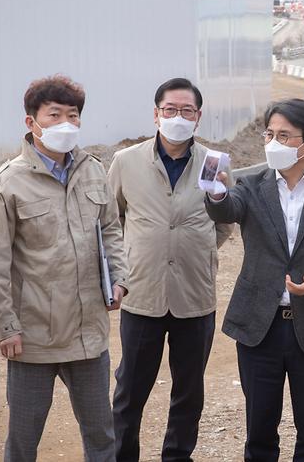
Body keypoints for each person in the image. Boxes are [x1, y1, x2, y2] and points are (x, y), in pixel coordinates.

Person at [205, 98, 304, 461]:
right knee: (259, 433)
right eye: (270, 134)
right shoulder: (250, 187)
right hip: (260, 329)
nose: (274, 143)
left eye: (285, 136)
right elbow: (228, 208)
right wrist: (216, 191)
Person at [0, 75, 128, 462]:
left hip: (88, 334)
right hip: (33, 338)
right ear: (31, 122)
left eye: (73, 115)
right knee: (23, 439)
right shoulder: (6, 183)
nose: (66, 123)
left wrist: (118, 277)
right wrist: (6, 326)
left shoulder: (94, 170)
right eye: (54, 115)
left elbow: (111, 230)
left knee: (101, 435)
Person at [109, 78, 233, 461]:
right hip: (141, 294)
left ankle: (177, 455)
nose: (178, 117)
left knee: (189, 390)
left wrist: (196, 251)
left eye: (187, 111)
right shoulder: (125, 162)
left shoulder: (215, 162)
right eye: (170, 110)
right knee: (130, 388)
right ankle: (122, 454)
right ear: (156, 114)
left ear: (198, 118)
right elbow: (111, 220)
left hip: (194, 297)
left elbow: (226, 220)